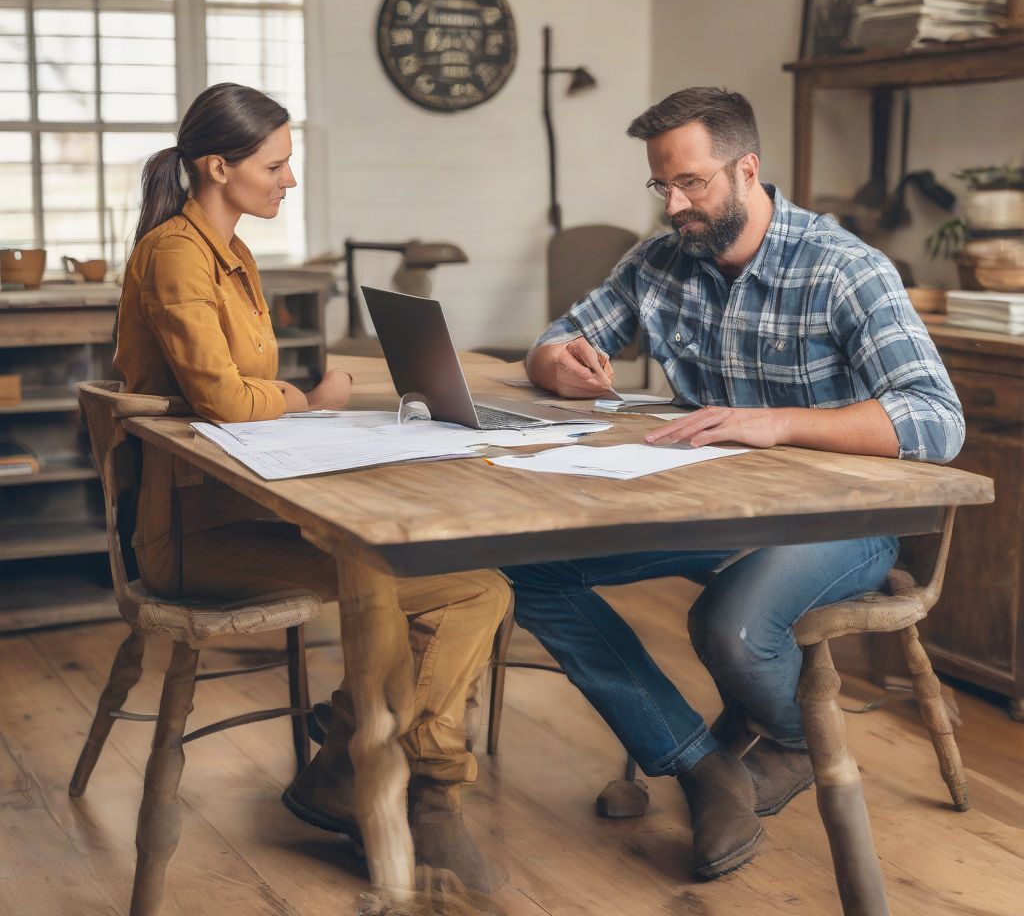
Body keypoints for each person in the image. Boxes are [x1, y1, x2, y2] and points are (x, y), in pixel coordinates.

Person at [502, 87, 964, 881]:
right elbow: (559, 337)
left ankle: (788, 737)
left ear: (747, 168)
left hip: (839, 518)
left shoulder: (845, 268)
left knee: (729, 626)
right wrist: (556, 362)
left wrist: (776, 421)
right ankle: (699, 763)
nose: (675, 205)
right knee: (525, 564)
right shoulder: (659, 260)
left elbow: (937, 420)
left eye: (693, 183)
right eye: (662, 186)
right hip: (707, 502)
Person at [115, 82, 509, 893]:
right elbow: (224, 399)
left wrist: (312, 405)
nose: (289, 180)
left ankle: (346, 765)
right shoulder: (176, 253)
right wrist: (308, 401)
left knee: (471, 584)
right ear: (218, 166)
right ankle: (421, 790)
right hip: (196, 539)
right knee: (442, 591)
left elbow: (230, 389)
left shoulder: (230, 251)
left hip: (246, 509)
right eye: (277, 164)